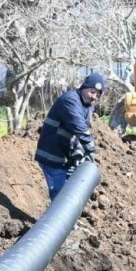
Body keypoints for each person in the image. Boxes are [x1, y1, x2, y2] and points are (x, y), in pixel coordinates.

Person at [34, 72, 105, 200]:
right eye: (92, 92)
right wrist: (90, 150)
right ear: (84, 87)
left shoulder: (87, 106)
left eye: (98, 95)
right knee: (60, 195)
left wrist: (78, 153)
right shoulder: (70, 100)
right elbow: (80, 129)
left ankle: (70, 220)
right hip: (51, 155)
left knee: (68, 194)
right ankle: (56, 220)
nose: (94, 97)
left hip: (64, 157)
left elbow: (79, 135)